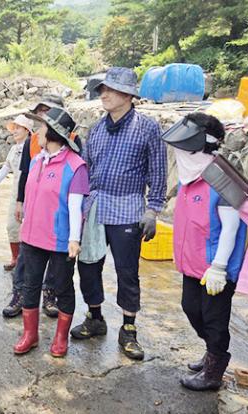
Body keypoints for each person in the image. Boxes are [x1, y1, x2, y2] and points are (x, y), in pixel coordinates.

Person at [71, 67, 167, 361]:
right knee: (88, 265)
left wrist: (153, 209)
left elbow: (158, 172)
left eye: (110, 90)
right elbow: (86, 170)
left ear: (127, 95)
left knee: (127, 271)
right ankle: (95, 317)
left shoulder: (147, 127)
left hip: (128, 208)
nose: (104, 94)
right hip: (96, 206)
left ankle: (128, 329)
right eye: (102, 89)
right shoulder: (97, 129)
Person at [161, 113, 247, 391]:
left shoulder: (222, 179)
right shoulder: (190, 178)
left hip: (214, 269)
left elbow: (231, 228)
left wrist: (219, 267)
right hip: (192, 264)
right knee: (191, 308)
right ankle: (211, 351)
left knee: (214, 319)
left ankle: (214, 370)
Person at [13, 107, 89, 358]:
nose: (37, 132)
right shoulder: (37, 160)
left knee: (62, 287)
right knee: (30, 284)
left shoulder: (75, 166)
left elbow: (76, 207)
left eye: (42, 128)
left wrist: (74, 239)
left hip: (59, 241)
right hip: (32, 237)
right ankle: (30, 335)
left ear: (54, 132)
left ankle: (60, 337)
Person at [9, 94, 67, 319]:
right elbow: (25, 173)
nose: (42, 117)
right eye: (40, 113)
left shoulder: (72, 141)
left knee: (55, 254)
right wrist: (20, 201)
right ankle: (19, 294)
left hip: (56, 208)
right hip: (34, 208)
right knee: (26, 253)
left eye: (47, 112)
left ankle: (50, 295)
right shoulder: (32, 141)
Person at [0, 114, 33, 272]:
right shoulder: (13, 149)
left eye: (18, 128)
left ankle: (28, 261)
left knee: (29, 228)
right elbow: (5, 169)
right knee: (12, 226)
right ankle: (15, 258)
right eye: (14, 128)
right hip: (15, 192)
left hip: (30, 192)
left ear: (27, 131)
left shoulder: (32, 148)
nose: (15, 131)